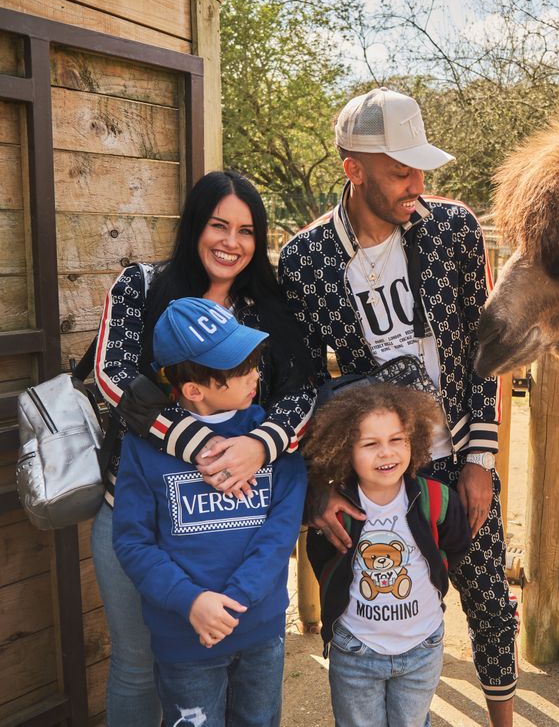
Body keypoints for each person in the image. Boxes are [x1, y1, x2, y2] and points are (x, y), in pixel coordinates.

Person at [279, 87, 518, 725]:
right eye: (399, 169)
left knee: (491, 597)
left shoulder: (454, 231)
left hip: (457, 453)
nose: (416, 182)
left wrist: (481, 459)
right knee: (374, 597)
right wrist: (319, 485)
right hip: (374, 467)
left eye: (420, 168)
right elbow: (300, 385)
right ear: (353, 169)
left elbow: (481, 351)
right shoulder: (305, 262)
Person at [92, 170, 315, 726]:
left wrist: (260, 447)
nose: (231, 242)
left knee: (246, 678)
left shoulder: (268, 308)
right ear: (196, 225)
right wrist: (202, 444)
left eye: (246, 231)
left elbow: (304, 392)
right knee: (138, 665)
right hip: (140, 512)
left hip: (238, 523)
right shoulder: (143, 286)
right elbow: (112, 375)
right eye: (219, 225)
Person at [113, 297, 307, 727]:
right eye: (239, 369)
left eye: (254, 361)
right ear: (194, 390)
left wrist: (235, 601)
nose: (256, 373)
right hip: (186, 638)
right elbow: (132, 541)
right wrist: (192, 602)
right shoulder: (143, 449)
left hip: (260, 631)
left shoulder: (273, 441)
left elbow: (281, 533)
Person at [304, 383, 471, 727]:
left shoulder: (436, 499)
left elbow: (455, 546)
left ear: (415, 440)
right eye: (370, 444)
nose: (387, 453)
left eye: (397, 440)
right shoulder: (337, 510)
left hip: (422, 648)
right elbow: (322, 558)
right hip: (355, 651)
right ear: (344, 449)